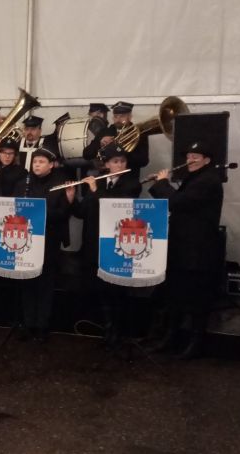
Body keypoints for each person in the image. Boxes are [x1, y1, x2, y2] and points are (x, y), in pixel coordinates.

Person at [147, 141, 224, 359]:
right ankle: (170, 338)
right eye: (189, 156)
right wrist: (159, 184)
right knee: (175, 295)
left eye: (195, 156)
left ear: (207, 160)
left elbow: (177, 202)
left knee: (196, 298)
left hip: (198, 250)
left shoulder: (209, 180)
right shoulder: (194, 178)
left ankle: (194, 344)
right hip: (182, 248)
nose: (190, 160)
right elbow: (172, 202)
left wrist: (163, 182)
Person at [70, 143, 142, 341]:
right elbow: (82, 213)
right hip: (94, 244)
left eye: (122, 161)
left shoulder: (132, 184)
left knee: (117, 290)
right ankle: (106, 329)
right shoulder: (99, 182)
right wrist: (72, 199)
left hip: (117, 245)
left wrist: (93, 191)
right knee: (100, 289)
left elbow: (114, 208)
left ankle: (118, 332)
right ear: (107, 164)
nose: (119, 165)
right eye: (115, 161)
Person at [11, 148, 76, 341]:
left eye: (41, 162)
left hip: (50, 239)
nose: (37, 165)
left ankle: (42, 325)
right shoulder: (23, 183)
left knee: (45, 284)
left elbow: (63, 213)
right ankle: (28, 323)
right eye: (35, 162)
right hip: (27, 240)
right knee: (27, 282)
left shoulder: (60, 183)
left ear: (51, 165)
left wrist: (67, 201)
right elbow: (15, 209)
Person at [90, 102, 149, 170]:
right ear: (113, 118)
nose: (118, 120)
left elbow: (144, 161)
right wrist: (99, 143)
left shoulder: (139, 133)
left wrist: (120, 150)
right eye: (116, 116)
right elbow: (87, 154)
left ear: (130, 117)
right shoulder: (105, 131)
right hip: (106, 173)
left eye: (122, 116)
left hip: (128, 174)